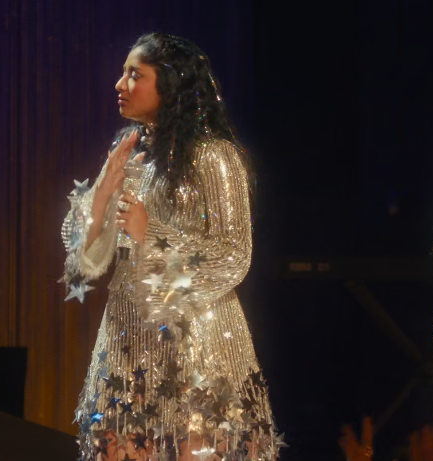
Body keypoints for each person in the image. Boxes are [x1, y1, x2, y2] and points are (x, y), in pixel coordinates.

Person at [60, 33, 281, 461]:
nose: (120, 84)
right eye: (123, 73)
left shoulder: (215, 157)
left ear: (170, 82)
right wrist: (102, 191)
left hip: (196, 346)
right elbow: (82, 259)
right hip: (129, 338)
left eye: (134, 74)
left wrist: (153, 235)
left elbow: (233, 255)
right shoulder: (130, 153)